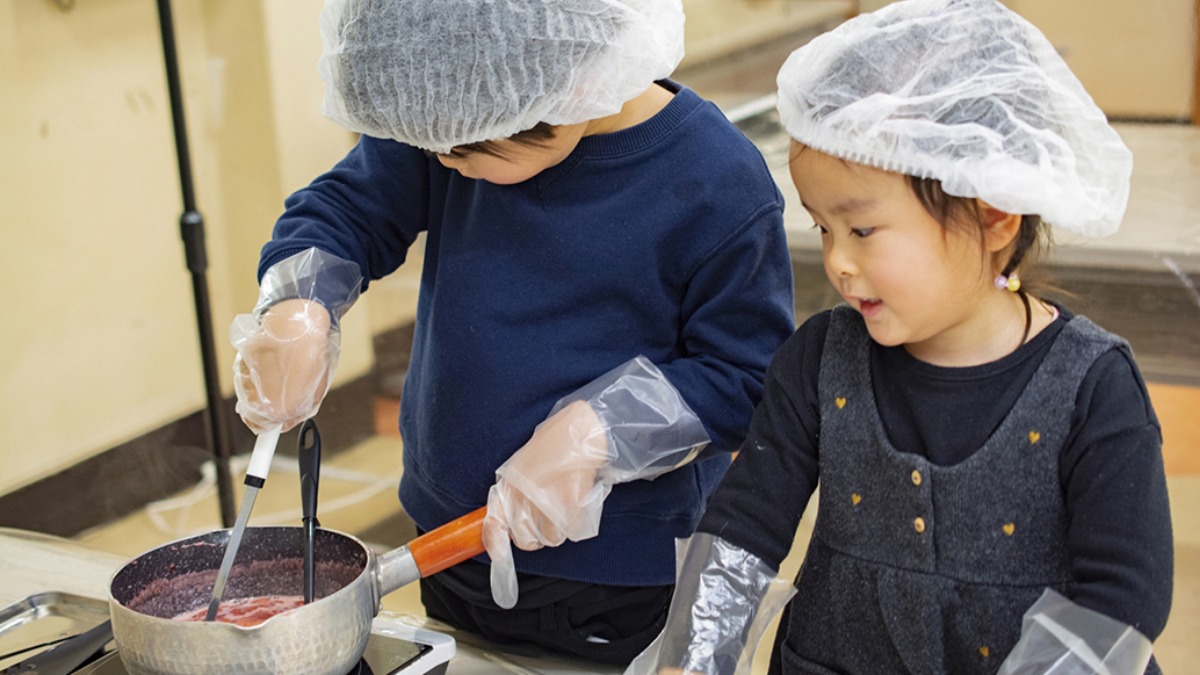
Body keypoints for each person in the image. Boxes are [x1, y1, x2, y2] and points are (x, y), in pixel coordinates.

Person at [228, 0, 796, 666]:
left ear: (576, 83)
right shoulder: (457, 104)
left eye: (468, 148)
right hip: (446, 543)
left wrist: (602, 433)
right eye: (430, 144)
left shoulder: (716, 181)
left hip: (619, 575)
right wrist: (298, 306)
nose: (442, 160)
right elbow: (347, 208)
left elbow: (746, 375)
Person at [627, 0, 1174, 673]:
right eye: (823, 228)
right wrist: (689, 660)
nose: (837, 261)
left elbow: (1120, 600)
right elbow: (744, 527)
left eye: (862, 229)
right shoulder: (820, 359)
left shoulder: (1093, 389)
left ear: (994, 214)